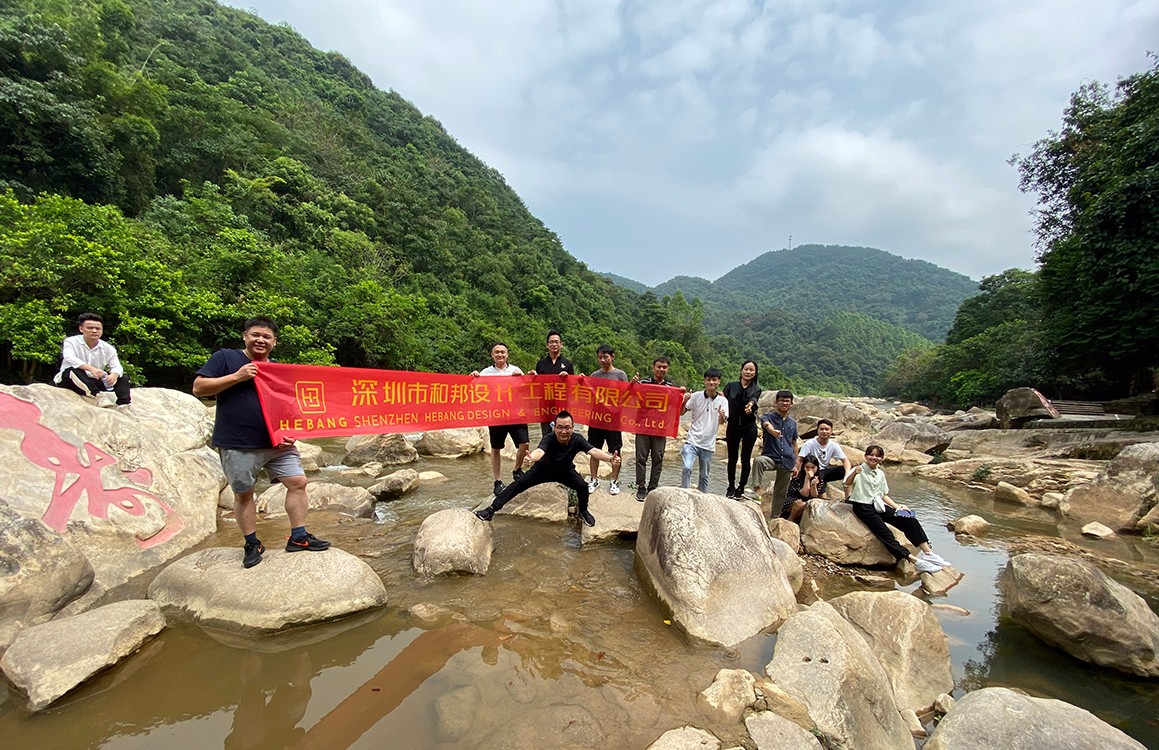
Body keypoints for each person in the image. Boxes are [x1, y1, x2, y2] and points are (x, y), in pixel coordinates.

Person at [193, 316, 330, 569]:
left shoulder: (278, 370)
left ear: (274, 342)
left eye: (267, 337)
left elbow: (291, 405)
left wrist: (292, 431)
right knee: (244, 493)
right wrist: (237, 376)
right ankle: (252, 543)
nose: (260, 340)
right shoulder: (225, 358)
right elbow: (199, 388)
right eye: (255, 335)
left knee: (298, 482)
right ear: (245, 336)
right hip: (238, 443)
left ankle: (298, 536)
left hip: (278, 443)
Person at [474, 411, 622, 527]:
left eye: (567, 427)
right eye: (560, 427)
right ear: (554, 427)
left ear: (572, 427)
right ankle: (491, 510)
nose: (563, 431)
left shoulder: (577, 439)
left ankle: (583, 511)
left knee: (582, 486)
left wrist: (610, 458)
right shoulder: (549, 438)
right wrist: (531, 458)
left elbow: (593, 451)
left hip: (565, 472)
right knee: (518, 484)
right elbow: (540, 451)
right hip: (542, 471)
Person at [844, 444, 950, 574]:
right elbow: (847, 483)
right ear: (866, 456)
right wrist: (855, 472)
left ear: (881, 458)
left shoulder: (880, 473)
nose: (874, 458)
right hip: (862, 506)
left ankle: (928, 553)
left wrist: (897, 507)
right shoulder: (858, 469)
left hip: (878, 505)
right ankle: (914, 561)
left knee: (909, 518)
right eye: (871, 455)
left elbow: (883, 495)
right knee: (886, 534)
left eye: (878, 456)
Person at [471, 342, 531, 495]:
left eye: (502, 352)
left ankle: (517, 470)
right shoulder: (485, 373)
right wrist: (473, 378)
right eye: (497, 352)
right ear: (492, 355)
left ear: (507, 354)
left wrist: (523, 378)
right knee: (496, 448)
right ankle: (497, 481)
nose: (500, 355)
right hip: (496, 415)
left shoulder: (515, 370)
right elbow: (475, 391)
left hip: (515, 413)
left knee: (524, 443)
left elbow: (526, 390)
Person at [631, 356, 683, 501]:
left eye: (664, 367)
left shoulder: (671, 387)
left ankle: (653, 487)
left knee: (658, 458)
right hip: (643, 426)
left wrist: (683, 396)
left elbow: (675, 407)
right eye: (659, 366)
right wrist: (632, 384)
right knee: (641, 457)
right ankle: (641, 486)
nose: (661, 369)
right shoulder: (643, 383)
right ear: (653, 367)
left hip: (660, 428)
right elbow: (630, 397)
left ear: (668, 369)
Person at [53, 313, 132, 407]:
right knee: (73, 370)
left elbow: (117, 366)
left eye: (98, 328)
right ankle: (97, 396)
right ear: (81, 329)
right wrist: (91, 369)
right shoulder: (71, 341)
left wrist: (114, 375)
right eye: (90, 328)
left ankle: (124, 404)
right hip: (71, 380)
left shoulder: (108, 348)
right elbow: (69, 357)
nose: (94, 331)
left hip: (93, 380)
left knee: (123, 377)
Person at [585, 344, 628, 495]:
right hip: (596, 419)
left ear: (612, 357)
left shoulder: (620, 375)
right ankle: (594, 479)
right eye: (600, 357)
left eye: (606, 357)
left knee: (615, 451)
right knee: (594, 450)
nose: (603, 360)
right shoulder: (595, 375)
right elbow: (589, 395)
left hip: (613, 421)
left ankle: (614, 481)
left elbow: (626, 395)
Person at [749, 390, 798, 517]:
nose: (784, 403)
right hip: (771, 457)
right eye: (781, 400)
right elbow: (766, 425)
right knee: (759, 461)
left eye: (787, 401)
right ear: (776, 402)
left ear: (791, 403)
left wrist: (796, 464)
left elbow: (794, 443)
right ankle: (757, 490)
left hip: (787, 460)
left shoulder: (792, 423)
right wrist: (772, 431)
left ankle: (775, 517)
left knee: (781, 492)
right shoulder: (768, 417)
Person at [680, 368, 728, 492]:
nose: (711, 382)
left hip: (708, 444)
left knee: (704, 476)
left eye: (714, 380)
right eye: (708, 380)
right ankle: (684, 493)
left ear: (719, 381)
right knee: (687, 468)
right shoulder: (696, 396)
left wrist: (721, 415)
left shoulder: (723, 401)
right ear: (704, 381)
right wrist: (685, 401)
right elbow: (681, 413)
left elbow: (722, 422)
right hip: (692, 440)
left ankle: (703, 497)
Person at [722, 360, 761, 499]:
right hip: (733, 425)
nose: (748, 372)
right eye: (746, 369)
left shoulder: (756, 389)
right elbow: (722, 400)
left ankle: (741, 487)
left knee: (745, 457)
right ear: (741, 370)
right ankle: (730, 486)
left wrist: (750, 405)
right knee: (732, 457)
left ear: (755, 373)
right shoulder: (731, 386)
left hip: (749, 427)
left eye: (751, 370)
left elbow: (754, 399)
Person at [533, 330, 573, 437]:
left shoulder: (568, 363)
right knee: (546, 434)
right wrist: (533, 377)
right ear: (547, 345)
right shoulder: (541, 363)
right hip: (545, 406)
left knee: (563, 433)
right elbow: (537, 385)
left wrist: (568, 378)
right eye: (551, 342)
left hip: (562, 405)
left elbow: (572, 387)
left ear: (561, 344)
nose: (554, 344)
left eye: (556, 342)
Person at [796, 419, 851, 484]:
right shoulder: (809, 444)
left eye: (827, 429)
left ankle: (847, 489)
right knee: (819, 476)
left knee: (845, 470)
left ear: (831, 431)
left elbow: (845, 460)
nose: (824, 431)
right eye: (821, 429)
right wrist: (797, 474)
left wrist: (847, 474)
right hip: (811, 471)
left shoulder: (833, 445)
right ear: (817, 430)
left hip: (824, 471)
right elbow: (799, 460)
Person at [782, 454, 825, 523]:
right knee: (801, 504)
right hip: (792, 500)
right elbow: (805, 494)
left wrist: (813, 485)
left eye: (813, 467)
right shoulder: (798, 478)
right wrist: (807, 478)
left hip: (807, 502)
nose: (810, 470)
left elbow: (814, 496)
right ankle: (790, 519)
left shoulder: (820, 480)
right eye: (807, 467)